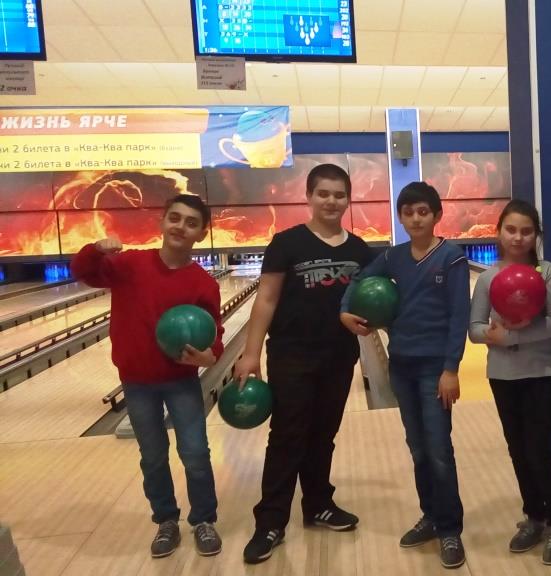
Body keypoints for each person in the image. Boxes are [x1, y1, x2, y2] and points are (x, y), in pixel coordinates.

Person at [233, 163, 374, 564]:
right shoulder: (286, 243)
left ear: (348, 199)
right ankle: (270, 521)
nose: (332, 201)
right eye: (323, 193)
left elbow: (369, 302)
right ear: (309, 196)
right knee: (287, 436)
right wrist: (250, 352)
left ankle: (318, 505)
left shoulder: (359, 250)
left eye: (339, 194)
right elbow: (267, 299)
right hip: (291, 355)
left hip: (339, 356)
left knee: (323, 435)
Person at [70, 194, 224, 559]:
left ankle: (204, 520)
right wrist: (96, 249)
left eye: (191, 223)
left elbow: (214, 333)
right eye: (175, 218)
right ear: (162, 221)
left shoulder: (204, 283)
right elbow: (83, 271)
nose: (180, 226)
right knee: (153, 456)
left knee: (195, 453)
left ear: (202, 233)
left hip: (181, 380)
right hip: (137, 382)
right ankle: (166, 521)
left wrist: (211, 355)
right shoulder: (130, 264)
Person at [340, 181, 470, 570]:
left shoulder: (452, 257)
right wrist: (345, 310)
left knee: (439, 450)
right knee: (418, 448)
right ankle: (430, 516)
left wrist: (451, 369)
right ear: (400, 217)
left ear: (436, 215)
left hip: (434, 368)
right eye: (408, 212)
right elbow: (358, 280)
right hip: (402, 365)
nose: (416, 218)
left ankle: (450, 529)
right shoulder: (394, 257)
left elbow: (459, 317)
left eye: (423, 212)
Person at [468, 200, 551, 565]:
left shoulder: (548, 272)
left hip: (542, 372)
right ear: (499, 232)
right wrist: (492, 335)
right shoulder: (488, 277)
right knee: (517, 449)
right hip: (502, 375)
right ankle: (534, 516)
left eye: (526, 231)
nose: (518, 237)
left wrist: (510, 336)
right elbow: (475, 329)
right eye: (511, 229)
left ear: (536, 235)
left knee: (539, 449)